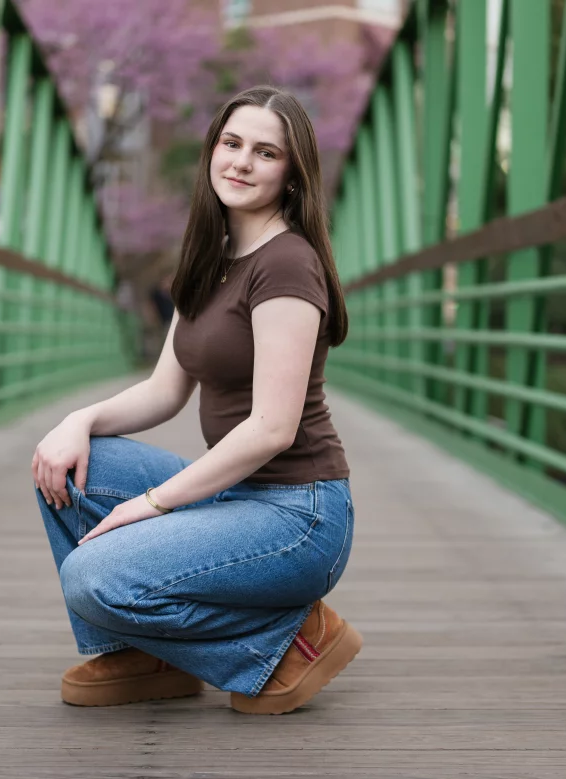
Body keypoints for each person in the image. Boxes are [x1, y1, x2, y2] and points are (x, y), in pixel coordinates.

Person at [31, 86, 359, 715]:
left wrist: (151, 505)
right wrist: (79, 419)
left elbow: (271, 430)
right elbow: (164, 390)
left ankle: (291, 639)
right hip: (238, 496)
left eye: (266, 153)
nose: (240, 162)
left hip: (299, 515)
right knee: (65, 463)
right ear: (213, 149)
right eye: (231, 144)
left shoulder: (287, 263)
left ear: (292, 175)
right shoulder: (211, 257)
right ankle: (141, 653)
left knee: (92, 576)